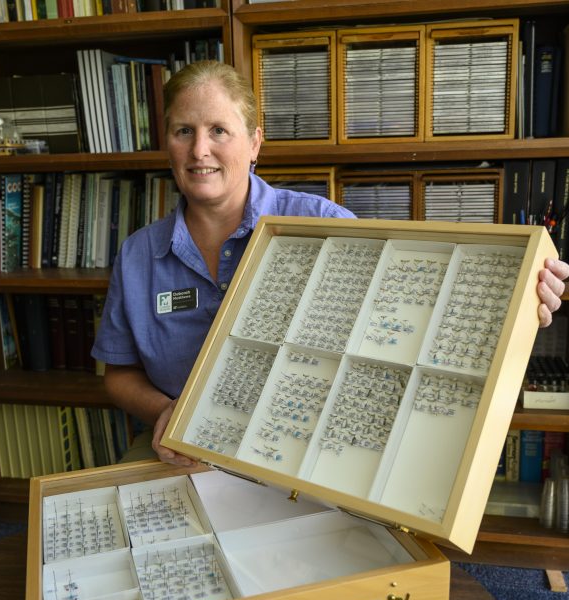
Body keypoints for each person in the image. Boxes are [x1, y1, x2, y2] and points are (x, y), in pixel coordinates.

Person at [92, 60, 569, 466]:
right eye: (184, 131)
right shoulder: (137, 255)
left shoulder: (326, 225)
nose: (200, 150)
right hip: (186, 453)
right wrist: (164, 412)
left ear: (255, 144)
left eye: (219, 130)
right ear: (168, 143)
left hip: (310, 453)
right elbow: (119, 375)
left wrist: (518, 305)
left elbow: (410, 322)